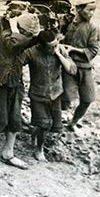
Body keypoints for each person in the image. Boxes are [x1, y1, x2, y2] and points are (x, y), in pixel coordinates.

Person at [0, 12, 41, 169]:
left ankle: (8, 152)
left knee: (14, 119)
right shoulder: (8, 36)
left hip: (14, 82)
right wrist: (13, 27)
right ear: (20, 29)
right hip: (0, 83)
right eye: (28, 33)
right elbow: (16, 42)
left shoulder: (21, 38)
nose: (30, 38)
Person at [21, 30, 76, 161]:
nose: (53, 48)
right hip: (38, 94)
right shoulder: (31, 52)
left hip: (56, 93)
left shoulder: (59, 50)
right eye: (50, 46)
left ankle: (36, 135)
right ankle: (39, 150)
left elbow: (71, 69)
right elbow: (17, 63)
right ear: (41, 45)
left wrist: (57, 53)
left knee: (53, 127)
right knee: (44, 124)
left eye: (55, 44)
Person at [61, 0, 100, 130]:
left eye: (93, 10)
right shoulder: (68, 22)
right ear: (78, 9)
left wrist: (74, 49)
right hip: (68, 66)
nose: (92, 13)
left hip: (85, 68)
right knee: (66, 100)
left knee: (87, 100)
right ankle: (53, 120)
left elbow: (94, 50)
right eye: (89, 9)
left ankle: (73, 122)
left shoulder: (93, 28)